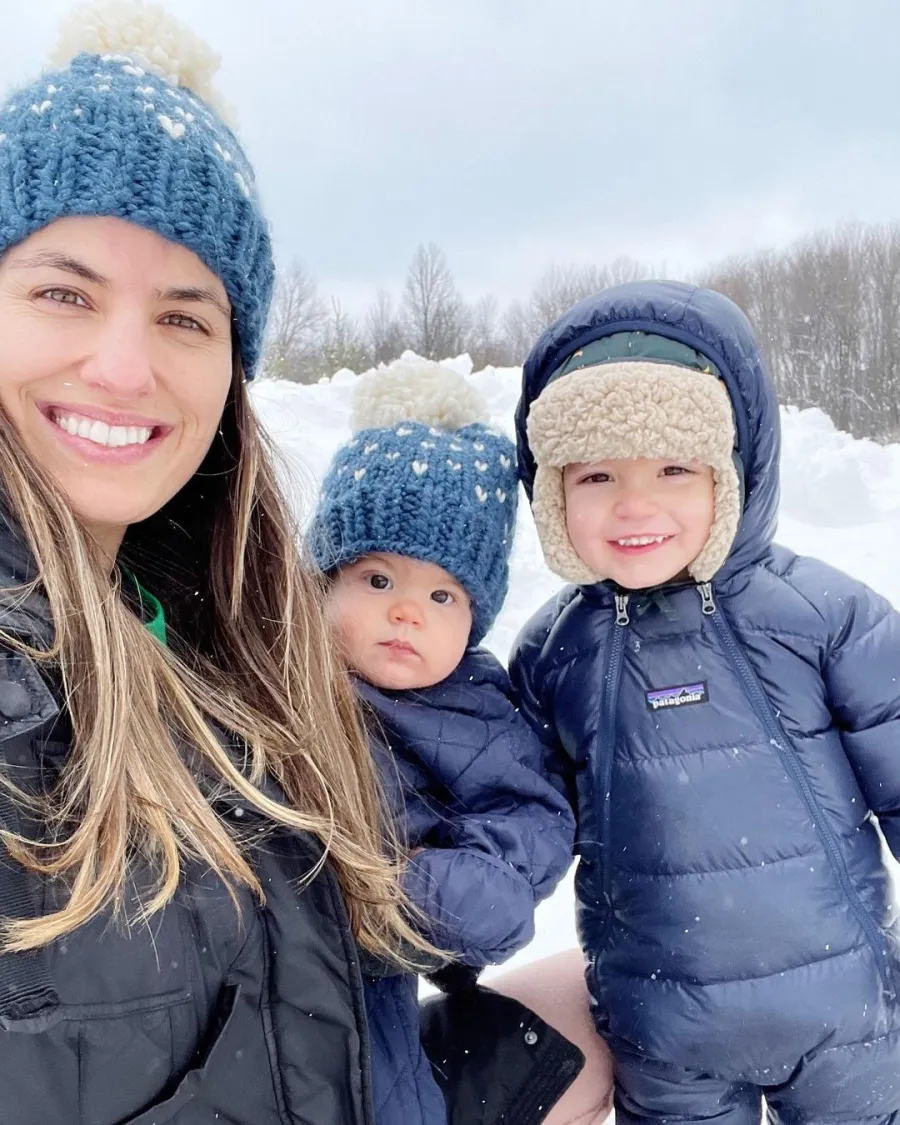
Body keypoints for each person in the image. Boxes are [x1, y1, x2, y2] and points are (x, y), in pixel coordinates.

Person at [0, 4, 431, 1122]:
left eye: (186, 318)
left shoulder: (205, 633)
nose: (126, 366)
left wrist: (515, 1057)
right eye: (63, 292)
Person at [511, 280, 900, 1125]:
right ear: (551, 493)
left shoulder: (821, 616)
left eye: (675, 468)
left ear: (734, 471)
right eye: (598, 474)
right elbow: (523, 813)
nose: (635, 504)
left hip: (845, 1022)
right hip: (664, 1035)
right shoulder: (554, 654)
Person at [312, 360, 588, 1125]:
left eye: (442, 595)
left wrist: (417, 888)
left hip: (371, 1014)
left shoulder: (475, 710)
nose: (408, 613)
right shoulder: (276, 672)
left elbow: (527, 826)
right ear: (323, 581)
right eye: (377, 581)